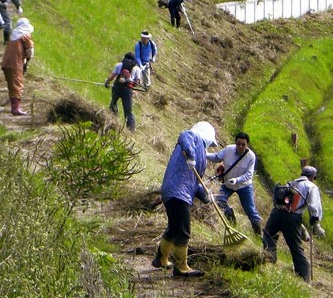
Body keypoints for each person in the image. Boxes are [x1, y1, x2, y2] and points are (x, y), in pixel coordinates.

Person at [152, 121, 217, 277]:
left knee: (174, 228)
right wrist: (191, 155)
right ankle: (181, 267)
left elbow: (195, 183)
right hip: (178, 192)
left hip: (175, 191)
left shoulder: (202, 155)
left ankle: (161, 259)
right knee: (183, 231)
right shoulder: (193, 137)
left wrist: (206, 196)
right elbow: (184, 135)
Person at [262, 165, 326, 282]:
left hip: (276, 212)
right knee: (295, 247)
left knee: (268, 234)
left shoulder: (291, 183)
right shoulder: (311, 186)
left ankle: (269, 258)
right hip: (292, 218)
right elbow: (314, 206)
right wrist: (316, 224)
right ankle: (304, 278)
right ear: (312, 177)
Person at [206, 131, 262, 237]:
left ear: (247, 145)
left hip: (244, 186)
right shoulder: (228, 150)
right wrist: (204, 154)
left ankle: (258, 236)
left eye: (243, 144)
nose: (240, 146)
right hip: (227, 184)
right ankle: (232, 222)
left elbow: (249, 174)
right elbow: (216, 157)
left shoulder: (251, 157)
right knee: (219, 200)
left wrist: (237, 180)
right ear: (235, 143)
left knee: (250, 211)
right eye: (238, 144)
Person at [1, 17, 34, 116]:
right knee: (17, 85)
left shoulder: (13, 37)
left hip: (6, 63)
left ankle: (14, 106)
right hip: (15, 63)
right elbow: (30, 51)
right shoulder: (25, 36)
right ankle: (15, 109)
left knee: (11, 85)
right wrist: (26, 62)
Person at [104, 52, 143, 131]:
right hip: (127, 91)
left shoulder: (119, 65)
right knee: (128, 111)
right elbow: (138, 82)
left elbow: (111, 77)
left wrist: (107, 82)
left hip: (117, 87)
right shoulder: (137, 69)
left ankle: (113, 123)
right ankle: (131, 130)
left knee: (113, 104)